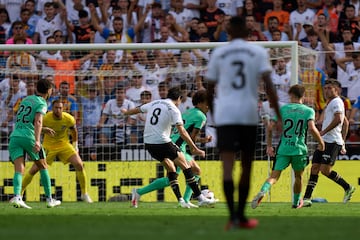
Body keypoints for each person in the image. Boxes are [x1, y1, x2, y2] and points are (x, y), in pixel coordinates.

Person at [205, 16, 281, 230]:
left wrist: (214, 113)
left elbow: (209, 89)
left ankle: (232, 217)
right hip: (248, 114)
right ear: (248, 30)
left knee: (227, 167)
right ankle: (242, 215)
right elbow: (269, 86)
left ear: (228, 31)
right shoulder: (257, 52)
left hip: (226, 115)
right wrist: (279, 116)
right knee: (247, 166)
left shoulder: (219, 52)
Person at [122, 86, 215, 208]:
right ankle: (194, 199)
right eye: (208, 104)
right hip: (173, 144)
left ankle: (186, 200)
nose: (209, 107)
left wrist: (125, 113)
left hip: (154, 142)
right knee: (186, 171)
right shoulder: (198, 116)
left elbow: (139, 109)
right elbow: (187, 134)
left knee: (176, 174)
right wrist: (195, 148)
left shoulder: (163, 105)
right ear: (179, 98)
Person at [251, 84, 325, 209]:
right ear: (303, 95)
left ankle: (263, 190)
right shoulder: (308, 111)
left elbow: (269, 128)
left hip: (284, 148)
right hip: (299, 149)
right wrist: (321, 143)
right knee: (298, 176)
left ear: (291, 95)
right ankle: (296, 203)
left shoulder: (283, 109)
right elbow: (312, 128)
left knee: (274, 176)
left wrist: (269, 146)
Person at [21, 100, 93, 203]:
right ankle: (20, 192)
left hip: (64, 145)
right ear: (52, 108)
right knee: (34, 170)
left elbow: (74, 131)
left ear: (63, 109)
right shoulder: (46, 118)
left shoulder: (68, 118)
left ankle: (84, 194)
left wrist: (75, 146)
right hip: (48, 146)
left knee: (79, 165)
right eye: (56, 108)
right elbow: (33, 127)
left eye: (60, 108)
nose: (58, 110)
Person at [8, 78, 61, 209]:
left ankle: (17, 196)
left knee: (19, 168)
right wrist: (37, 140)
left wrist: (43, 130)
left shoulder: (26, 99)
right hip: (29, 138)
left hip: (15, 136)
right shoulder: (42, 102)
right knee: (43, 166)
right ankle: (49, 199)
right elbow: (37, 122)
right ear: (49, 90)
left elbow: (26, 122)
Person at [303, 79, 355, 207]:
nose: (326, 91)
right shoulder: (331, 103)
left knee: (325, 170)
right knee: (314, 167)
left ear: (336, 90)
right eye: (325, 88)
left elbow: (338, 120)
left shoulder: (337, 102)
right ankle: (306, 199)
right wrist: (343, 141)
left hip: (331, 141)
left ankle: (348, 187)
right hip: (324, 141)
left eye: (329, 88)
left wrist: (324, 131)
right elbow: (346, 122)